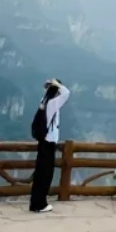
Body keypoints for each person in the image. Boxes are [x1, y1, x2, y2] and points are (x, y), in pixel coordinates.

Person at [29, 78, 69, 213]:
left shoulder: (44, 101)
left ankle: (34, 203)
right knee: (46, 175)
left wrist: (51, 85)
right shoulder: (52, 103)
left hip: (42, 142)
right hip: (49, 143)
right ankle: (41, 204)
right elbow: (67, 93)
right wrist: (58, 85)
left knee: (40, 174)